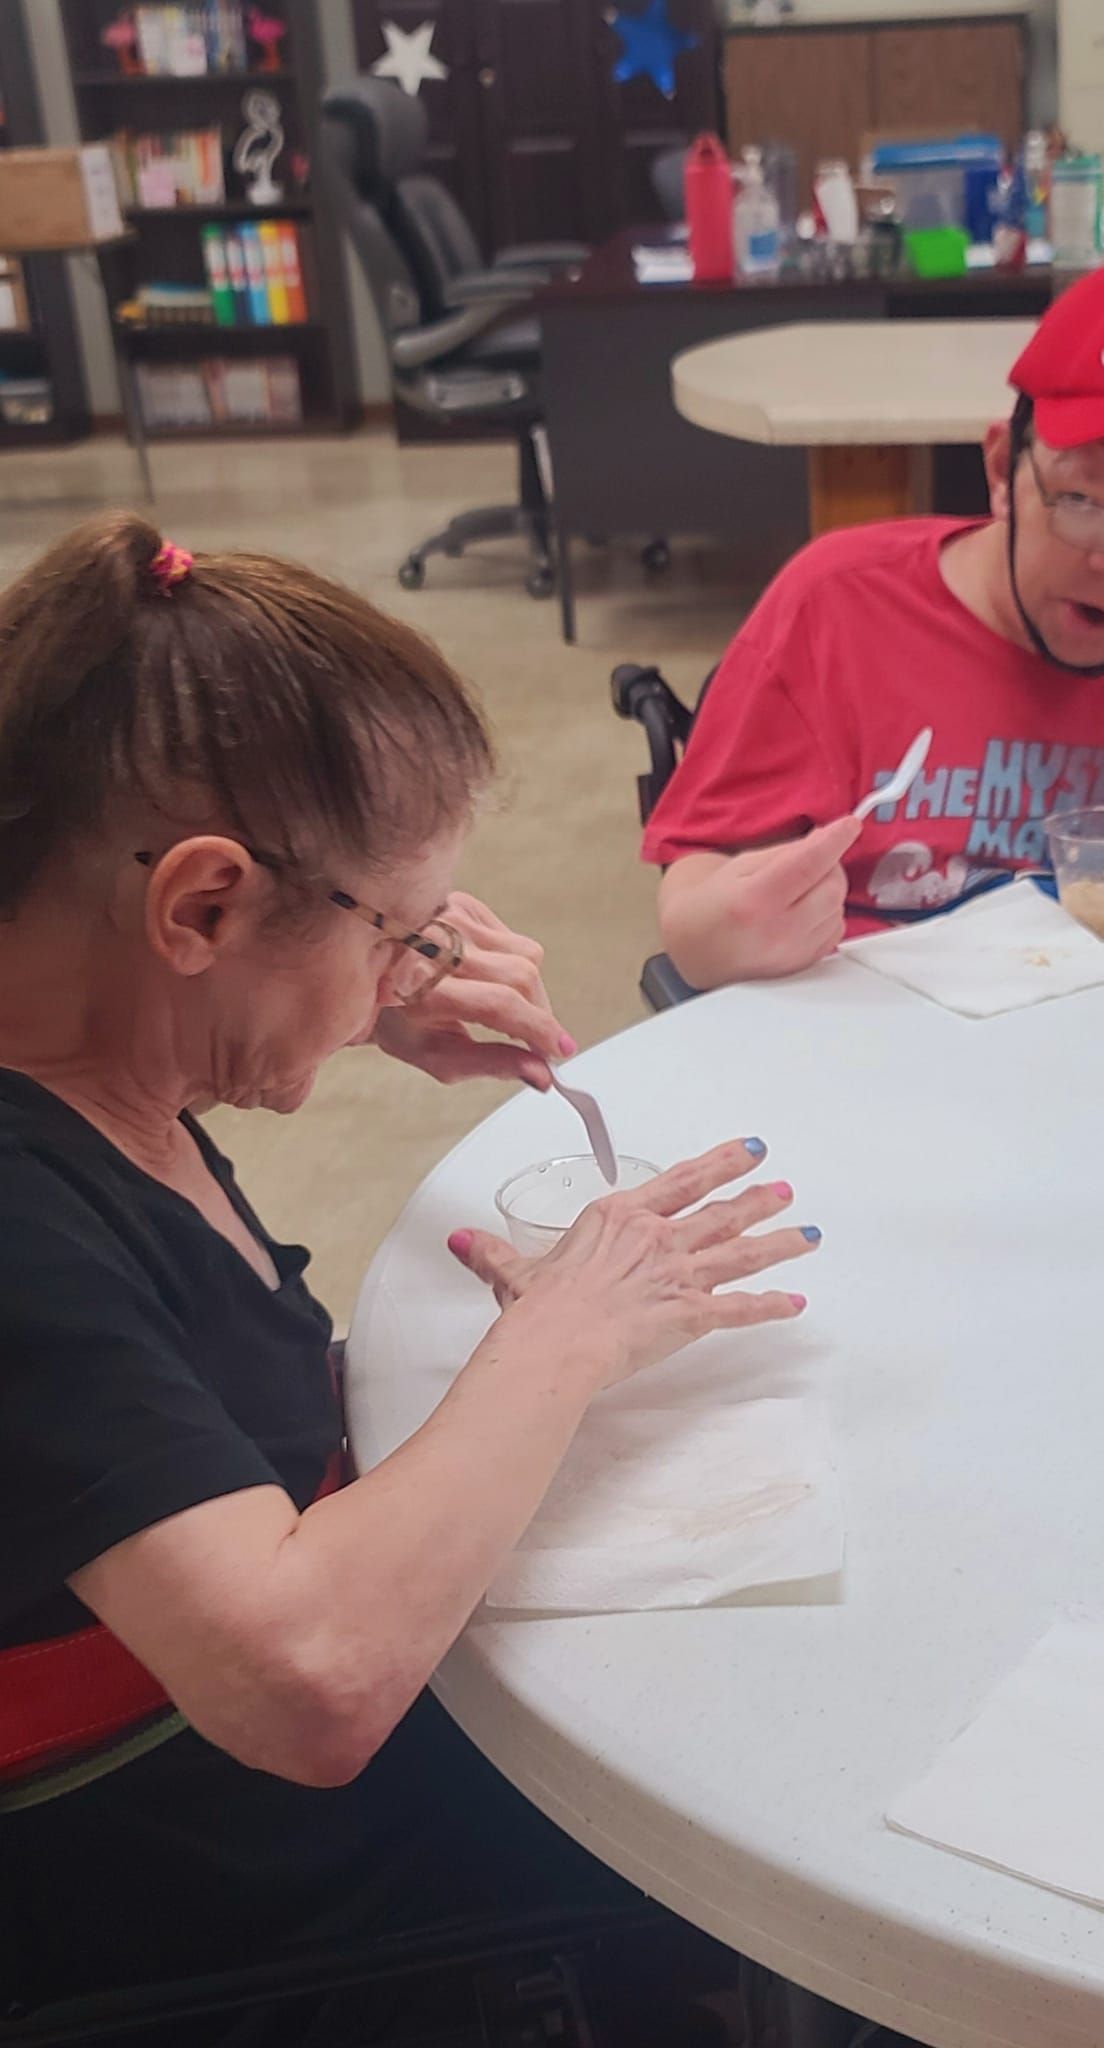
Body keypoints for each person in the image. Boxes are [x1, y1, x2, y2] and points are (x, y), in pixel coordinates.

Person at [0, 516, 819, 2031]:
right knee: (800, 1771)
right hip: (231, 1905)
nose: (424, 968)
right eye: (400, 928)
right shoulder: (26, 1233)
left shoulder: (82, 1043)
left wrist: (357, 986)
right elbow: (307, 1684)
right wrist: (566, 1333)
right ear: (199, 908)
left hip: (258, 1811)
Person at [643, 236, 1104, 990]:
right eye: (1083, 501)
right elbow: (698, 886)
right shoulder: (836, 612)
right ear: (1000, 471)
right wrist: (713, 936)